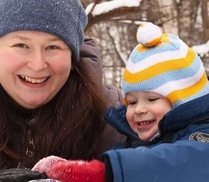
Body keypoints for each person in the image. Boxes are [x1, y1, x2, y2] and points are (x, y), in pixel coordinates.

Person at [0, 0, 125, 181]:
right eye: (21, 45)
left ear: (72, 58)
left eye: (53, 47)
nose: (37, 64)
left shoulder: (115, 117)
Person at [33, 22, 209, 182]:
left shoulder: (201, 134)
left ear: (184, 99)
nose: (139, 109)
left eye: (152, 99)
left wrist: (104, 172)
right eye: (132, 102)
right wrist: (72, 171)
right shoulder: (129, 144)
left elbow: (186, 162)